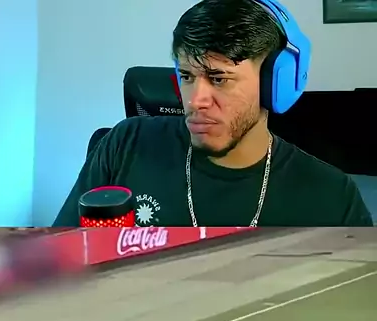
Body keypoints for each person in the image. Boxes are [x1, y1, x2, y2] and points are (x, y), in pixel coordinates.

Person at [53, 0, 373, 228]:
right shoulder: (125, 146)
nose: (195, 101)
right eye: (187, 76)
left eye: (219, 79)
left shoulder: (331, 198)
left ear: (273, 84)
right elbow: (63, 263)